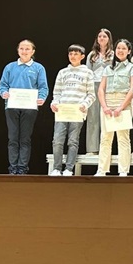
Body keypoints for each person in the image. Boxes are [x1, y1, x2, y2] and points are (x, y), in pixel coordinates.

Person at [0, 39, 48, 175]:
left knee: (25, 138)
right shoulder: (10, 67)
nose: (24, 51)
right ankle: (13, 167)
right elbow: (2, 85)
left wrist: (42, 98)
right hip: (11, 106)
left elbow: (43, 87)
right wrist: (4, 93)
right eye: (22, 49)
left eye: (27, 49)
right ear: (18, 50)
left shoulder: (38, 68)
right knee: (13, 138)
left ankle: (22, 168)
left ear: (33, 51)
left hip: (30, 107)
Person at [48, 44, 96, 176]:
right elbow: (56, 92)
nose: (73, 56)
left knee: (73, 141)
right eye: (70, 54)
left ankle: (69, 168)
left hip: (77, 112)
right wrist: (54, 103)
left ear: (82, 56)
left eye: (76, 54)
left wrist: (84, 105)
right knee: (57, 140)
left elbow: (91, 94)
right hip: (62, 111)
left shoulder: (87, 72)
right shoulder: (62, 72)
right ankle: (57, 168)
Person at [96, 39, 133, 177]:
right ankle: (102, 170)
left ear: (129, 51)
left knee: (123, 138)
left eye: (124, 48)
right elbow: (101, 89)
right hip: (107, 102)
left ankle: (123, 171)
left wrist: (121, 107)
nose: (120, 50)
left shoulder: (132, 67)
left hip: (123, 102)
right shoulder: (108, 68)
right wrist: (104, 106)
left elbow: (132, 89)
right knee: (105, 138)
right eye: (118, 48)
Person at [85, 28, 113, 155]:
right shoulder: (92, 55)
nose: (102, 38)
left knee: (106, 117)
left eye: (104, 36)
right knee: (93, 118)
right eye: (100, 36)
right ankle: (92, 149)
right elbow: (87, 72)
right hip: (94, 86)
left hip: (108, 87)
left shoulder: (113, 54)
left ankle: (104, 148)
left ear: (109, 39)